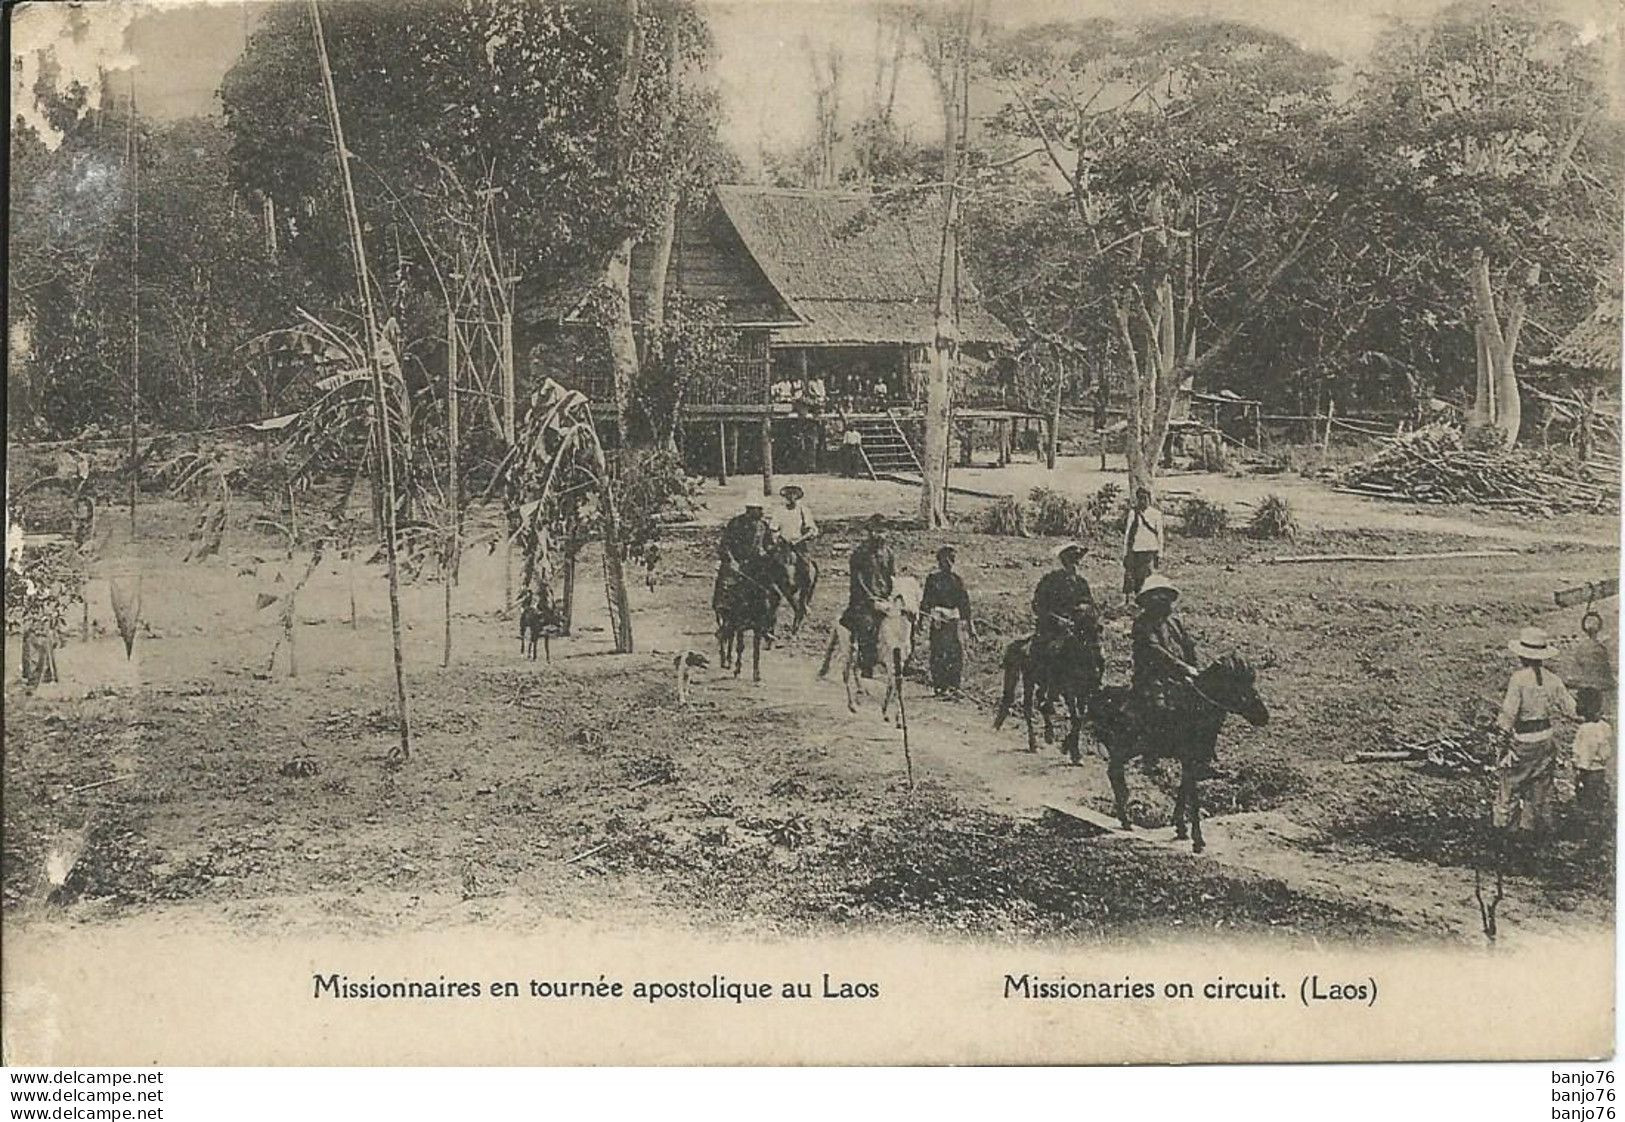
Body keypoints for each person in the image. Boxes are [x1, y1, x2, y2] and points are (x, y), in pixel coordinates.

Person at [1494, 626, 1578, 837]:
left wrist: (1501, 741)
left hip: (1524, 740)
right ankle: (1529, 830)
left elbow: (1508, 714)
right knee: (1538, 787)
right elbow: (1571, 709)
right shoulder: (1552, 679)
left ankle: (1504, 830)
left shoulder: (1519, 679)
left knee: (1510, 784)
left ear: (1522, 655)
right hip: (1546, 739)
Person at [1131, 573, 1216, 777]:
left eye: (1165, 596)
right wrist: (1184, 669)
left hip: (1181, 676)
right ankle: (1149, 759)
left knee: (1208, 709)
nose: (1162, 600)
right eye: (1156, 596)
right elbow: (1155, 652)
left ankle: (1202, 760)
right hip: (1153, 678)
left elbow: (1188, 645)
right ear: (1148, 601)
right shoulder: (1142, 624)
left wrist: (1196, 670)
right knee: (1158, 710)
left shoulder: (1175, 622)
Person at [843, 514, 895, 678]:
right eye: (876, 531)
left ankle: (899, 663)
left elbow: (891, 577)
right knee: (868, 626)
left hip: (884, 599)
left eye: (882, 531)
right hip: (863, 601)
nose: (879, 535)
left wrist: (890, 596)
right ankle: (866, 667)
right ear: (869, 532)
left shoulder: (888, 553)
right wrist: (871, 599)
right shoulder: (860, 553)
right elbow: (857, 582)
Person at [921, 545, 975, 696]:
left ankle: (954, 685)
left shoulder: (957, 580)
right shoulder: (933, 580)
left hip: (953, 620)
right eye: (945, 561)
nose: (948, 564)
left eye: (951, 560)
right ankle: (940, 686)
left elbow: (964, 603)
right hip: (938, 619)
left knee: (956, 652)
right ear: (939, 562)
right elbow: (926, 601)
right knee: (938, 651)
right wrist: (925, 617)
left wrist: (969, 625)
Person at [713, 500, 769, 616]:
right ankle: (726, 623)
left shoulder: (763, 525)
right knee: (726, 589)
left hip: (755, 564)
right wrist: (731, 561)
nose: (761, 512)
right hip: (736, 563)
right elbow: (725, 545)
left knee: (767, 591)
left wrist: (768, 552)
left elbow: (768, 545)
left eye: (761, 509)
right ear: (750, 509)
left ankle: (765, 628)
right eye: (758, 509)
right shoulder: (736, 523)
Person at [771, 484, 819, 609]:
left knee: (807, 571)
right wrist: (777, 538)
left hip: (799, 545)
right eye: (788, 494)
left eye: (793, 494)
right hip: (783, 545)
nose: (791, 497)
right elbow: (773, 528)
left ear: (797, 496)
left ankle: (803, 601)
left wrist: (799, 539)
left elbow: (811, 530)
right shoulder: (779, 511)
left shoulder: (803, 510)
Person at [1571, 688, 1613, 825]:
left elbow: (1584, 756)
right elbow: (1606, 752)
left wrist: (1579, 772)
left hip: (1588, 772)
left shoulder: (1585, 729)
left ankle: (1590, 831)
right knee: (1597, 799)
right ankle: (1597, 826)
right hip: (1600, 770)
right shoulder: (1605, 726)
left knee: (1587, 800)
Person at [1122, 487, 1163, 605]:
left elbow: (1160, 535)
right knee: (1131, 575)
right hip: (1135, 550)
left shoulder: (1156, 514)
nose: (1142, 502)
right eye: (1140, 499)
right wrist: (1126, 552)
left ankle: (1146, 600)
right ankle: (1130, 601)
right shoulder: (1133, 513)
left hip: (1150, 550)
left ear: (1149, 499)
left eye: (1145, 499)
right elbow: (1128, 534)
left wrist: (1160, 554)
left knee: (1146, 577)